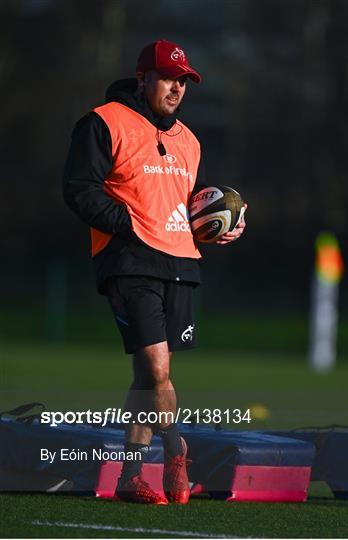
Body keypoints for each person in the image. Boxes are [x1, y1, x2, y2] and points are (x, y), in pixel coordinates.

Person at [63, 39, 246, 505]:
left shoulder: (191, 140)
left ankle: (130, 477)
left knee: (148, 379)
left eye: (183, 81)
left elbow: (188, 197)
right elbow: (79, 189)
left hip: (181, 262)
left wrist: (221, 222)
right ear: (142, 78)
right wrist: (128, 226)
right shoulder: (103, 122)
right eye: (168, 78)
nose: (176, 88)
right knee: (157, 368)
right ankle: (174, 448)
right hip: (128, 259)